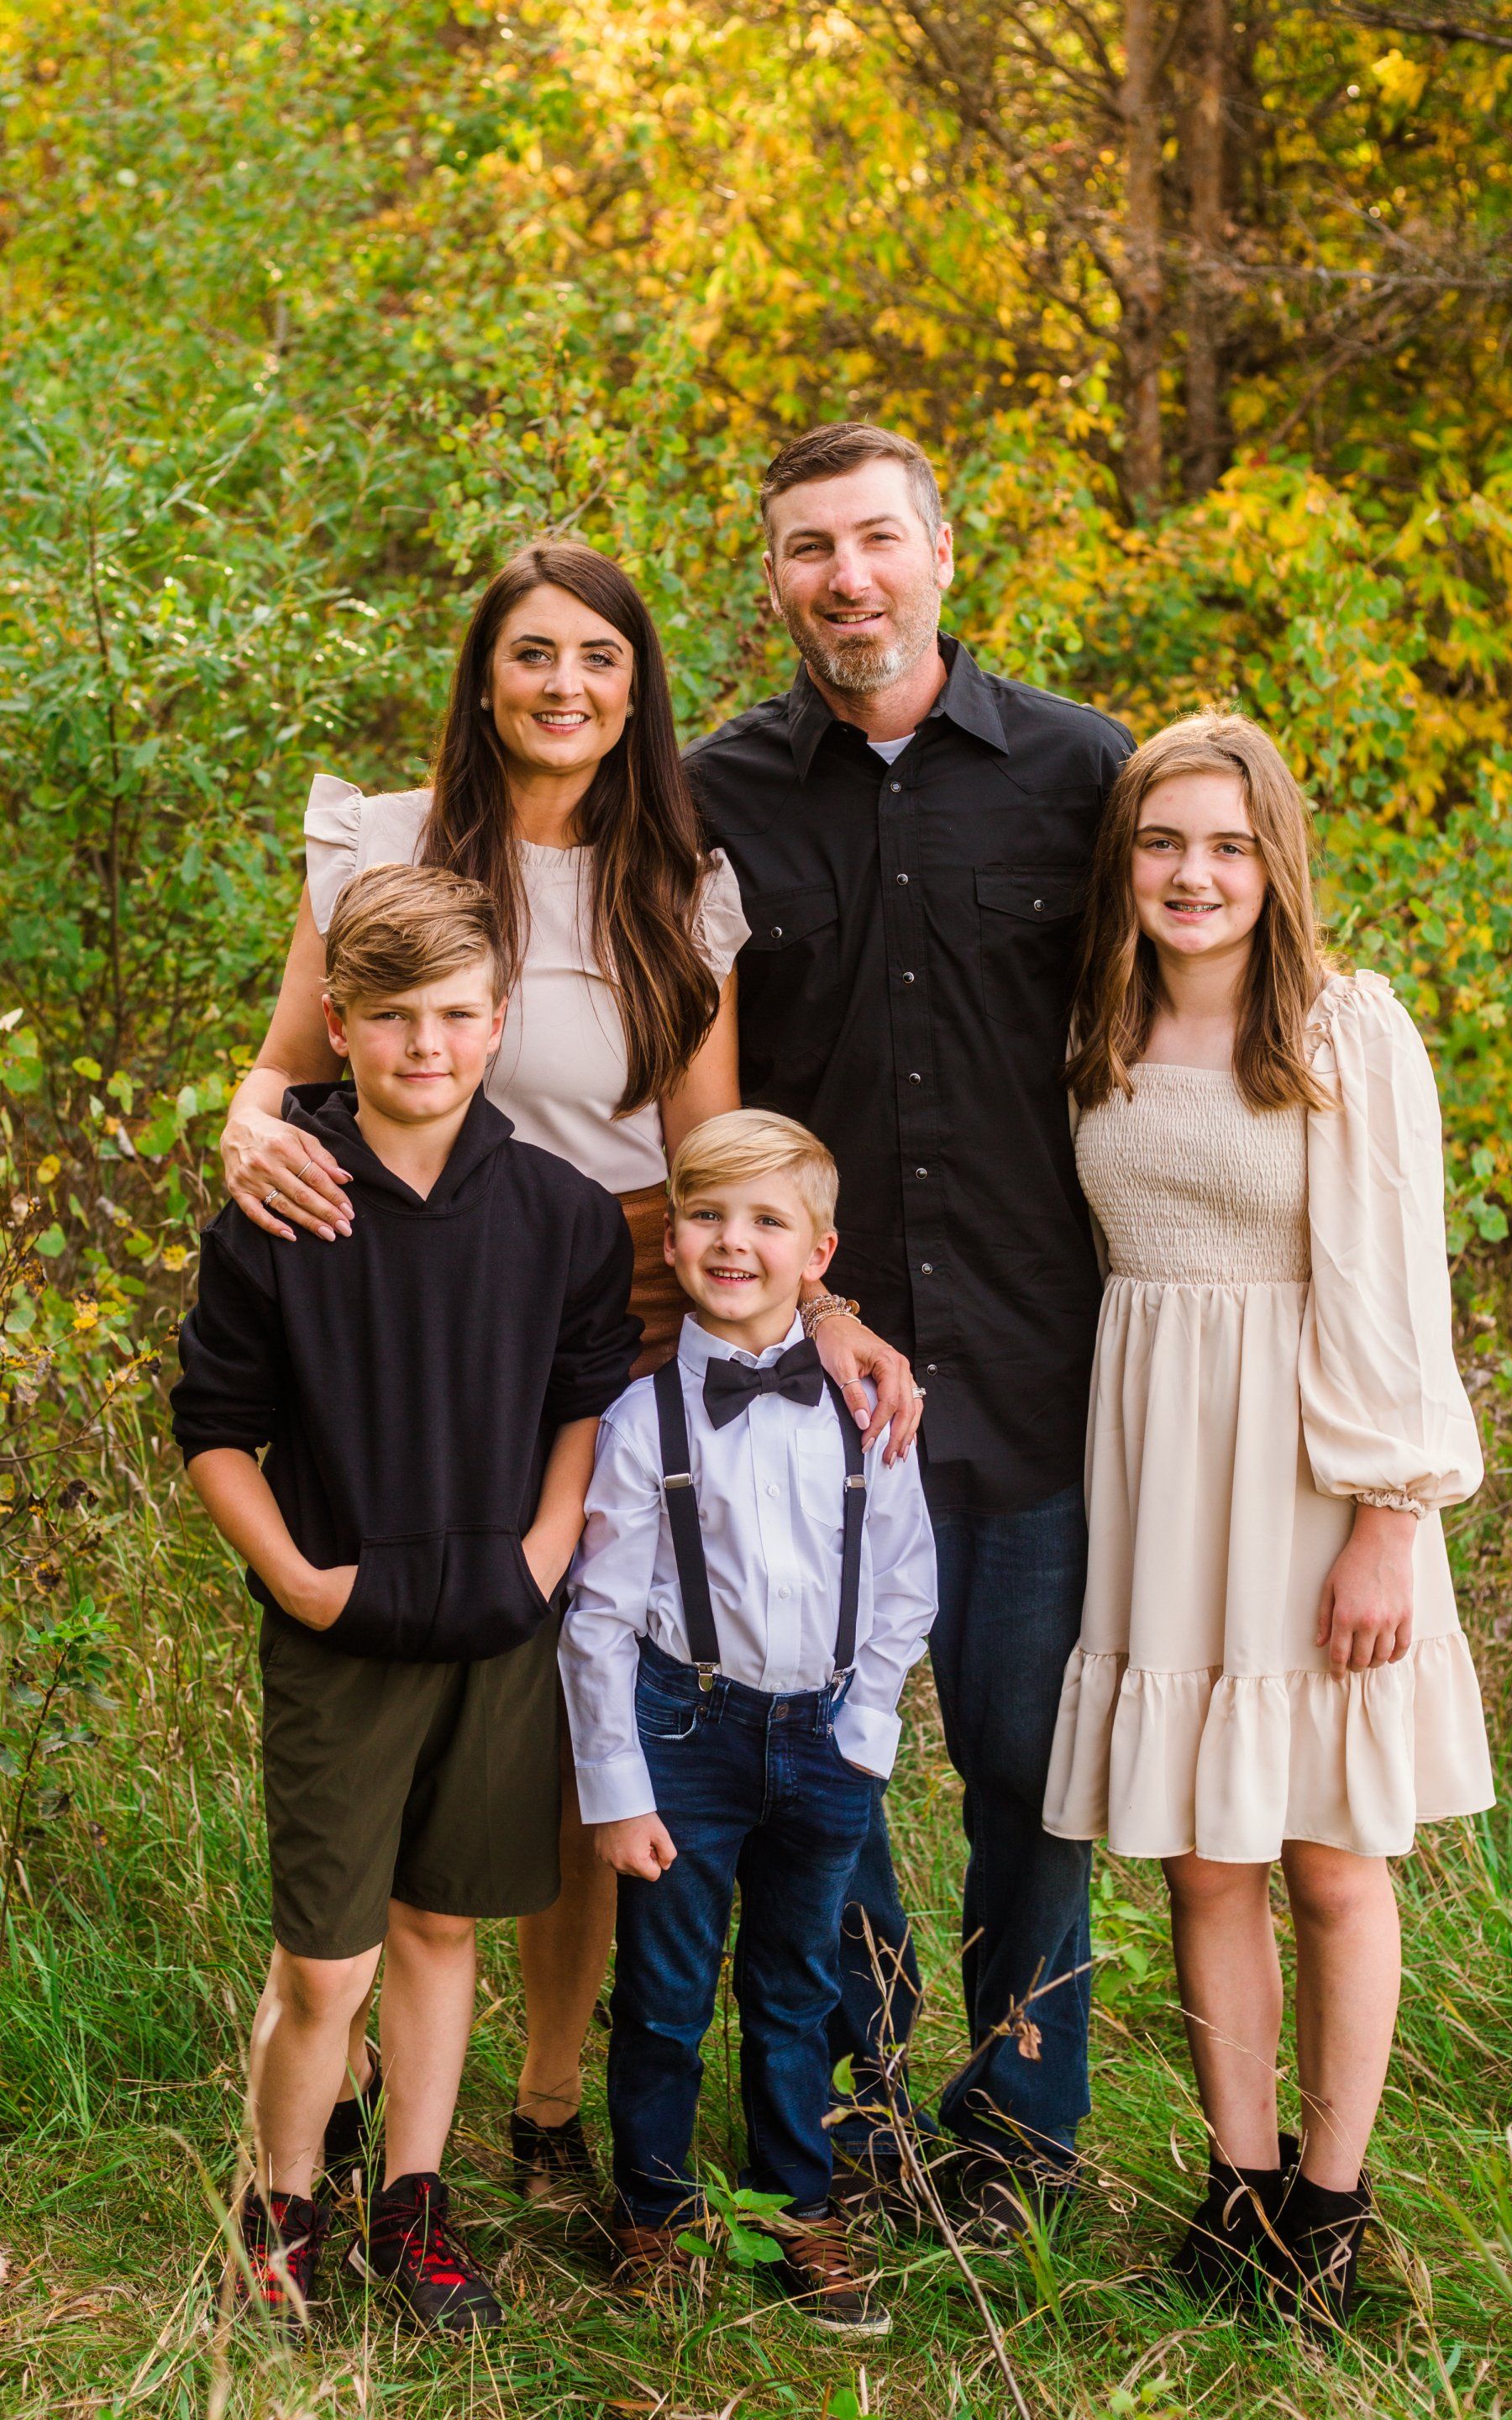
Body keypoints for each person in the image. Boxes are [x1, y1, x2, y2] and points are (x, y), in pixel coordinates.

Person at [217, 540, 920, 2210]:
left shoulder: (674, 883)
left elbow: (711, 1145)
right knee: (390, 1675)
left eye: (599, 659)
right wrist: (248, 1117)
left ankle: (543, 2106)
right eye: (532, 654)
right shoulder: (382, 845)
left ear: (635, 687)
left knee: (575, 1716)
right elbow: (284, 1066)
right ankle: (336, 2083)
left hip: (609, 1316)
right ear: (483, 675)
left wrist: (808, 1301)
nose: (564, 686)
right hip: (388, 1324)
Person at [683, 423, 1131, 2223]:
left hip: (1033, 1374)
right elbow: (688, 1084)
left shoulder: (1084, 774)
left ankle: (1018, 2135)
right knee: (823, 1780)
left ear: (943, 552)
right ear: (776, 575)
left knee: (1030, 1771)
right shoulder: (713, 796)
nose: (846, 578)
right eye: (809, 548)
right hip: (811, 1392)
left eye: (877, 539)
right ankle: (850, 2128)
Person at [1042, 715, 1494, 2331]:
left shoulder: (1343, 1028)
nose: (1194, 873)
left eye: (1228, 845)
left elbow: (1394, 1279)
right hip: (1162, 1466)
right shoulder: (1098, 1016)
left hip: (1314, 1468)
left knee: (1330, 1857)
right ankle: (1235, 2186)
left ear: (1276, 859)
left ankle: (1332, 2200)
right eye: (1165, 842)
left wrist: (1388, 1515)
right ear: (1129, 859)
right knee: (1207, 1855)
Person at [171, 863, 641, 2333]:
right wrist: (300, 1580)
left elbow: (587, 1396)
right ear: (339, 1022)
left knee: (445, 1930)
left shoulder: (562, 1213)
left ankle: (413, 2205)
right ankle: (284, 2201)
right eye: (389, 1018)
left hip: (501, 1622)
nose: (423, 1045)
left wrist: (549, 1549)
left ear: (498, 1023)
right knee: (330, 1960)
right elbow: (211, 1423)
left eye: (452, 1014)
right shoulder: (285, 1203)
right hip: (346, 1632)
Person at [560, 1111, 937, 2333]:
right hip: (684, 1734)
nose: (737, 1242)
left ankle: (799, 2210)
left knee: (797, 1985)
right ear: (671, 1243)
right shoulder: (636, 1426)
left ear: (818, 1253)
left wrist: (867, 1723)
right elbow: (600, 1621)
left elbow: (904, 1580)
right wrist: (614, 1790)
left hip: (826, 1738)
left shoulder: (864, 1414)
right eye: (711, 1218)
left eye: (768, 1221)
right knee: (666, 1993)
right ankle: (656, 2216)